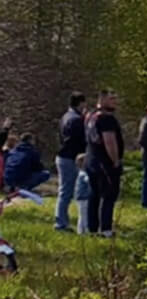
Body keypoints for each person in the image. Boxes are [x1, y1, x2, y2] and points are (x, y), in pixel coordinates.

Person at [82, 90, 124, 239]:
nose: (115, 102)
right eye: (112, 99)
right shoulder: (106, 119)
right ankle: (105, 229)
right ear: (102, 99)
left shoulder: (90, 116)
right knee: (109, 195)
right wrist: (115, 160)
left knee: (94, 195)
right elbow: (109, 141)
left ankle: (92, 228)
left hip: (91, 161)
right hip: (105, 163)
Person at [54, 92, 85, 232]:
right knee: (66, 191)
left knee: (64, 190)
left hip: (62, 155)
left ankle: (62, 220)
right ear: (80, 103)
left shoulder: (65, 117)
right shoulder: (77, 119)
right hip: (70, 158)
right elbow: (78, 141)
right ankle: (60, 223)